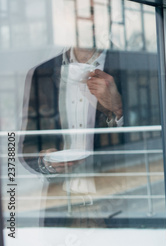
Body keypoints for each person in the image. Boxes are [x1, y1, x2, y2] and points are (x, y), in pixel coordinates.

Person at [19, 45, 125, 227]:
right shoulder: (41, 73)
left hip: (115, 204)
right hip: (62, 208)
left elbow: (159, 136)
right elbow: (26, 146)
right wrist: (45, 162)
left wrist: (118, 109)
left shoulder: (128, 64)